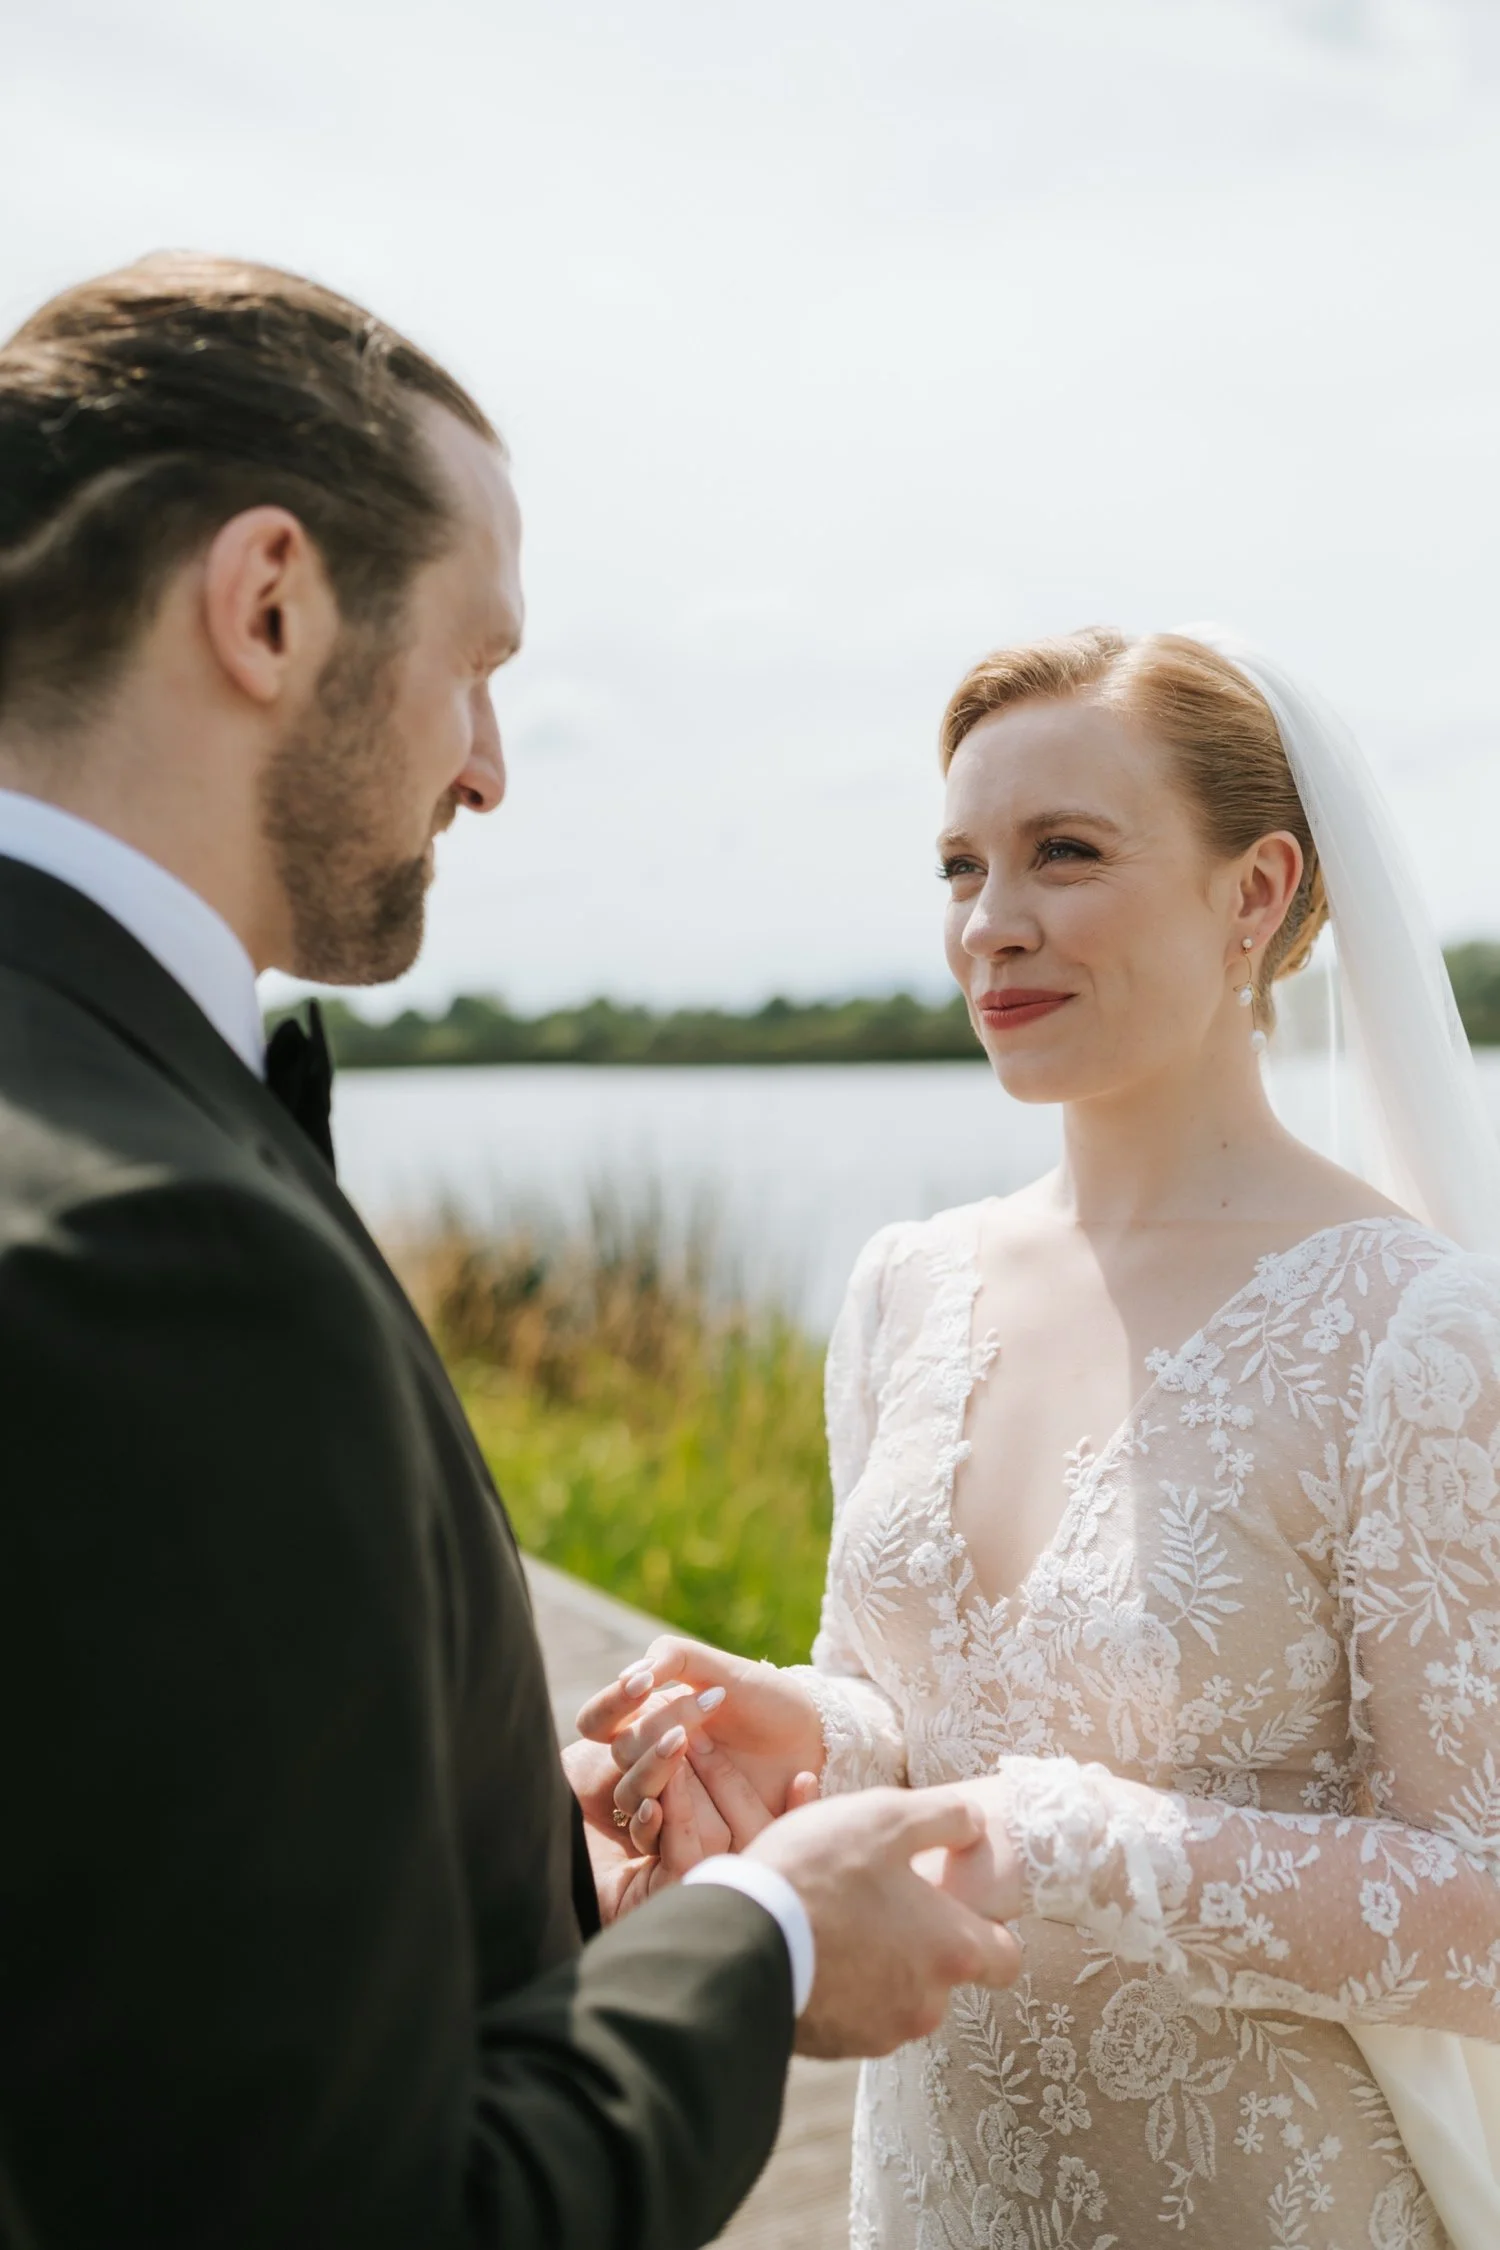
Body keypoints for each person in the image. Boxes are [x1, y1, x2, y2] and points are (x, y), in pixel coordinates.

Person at [0, 254, 1029, 2250]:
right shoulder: (159, 1245)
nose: (486, 763)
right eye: (477, 660)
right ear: (271, 603)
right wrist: (764, 1937)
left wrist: (469, 1852)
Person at [578, 627, 1500, 2249]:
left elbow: (1483, 1909)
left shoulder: (1413, 1331)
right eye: (959, 866)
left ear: (1255, 892)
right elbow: (917, 1714)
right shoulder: (903, 1290)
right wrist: (800, 1728)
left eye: (1064, 854)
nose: (989, 926)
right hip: (932, 2196)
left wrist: (1073, 1837)